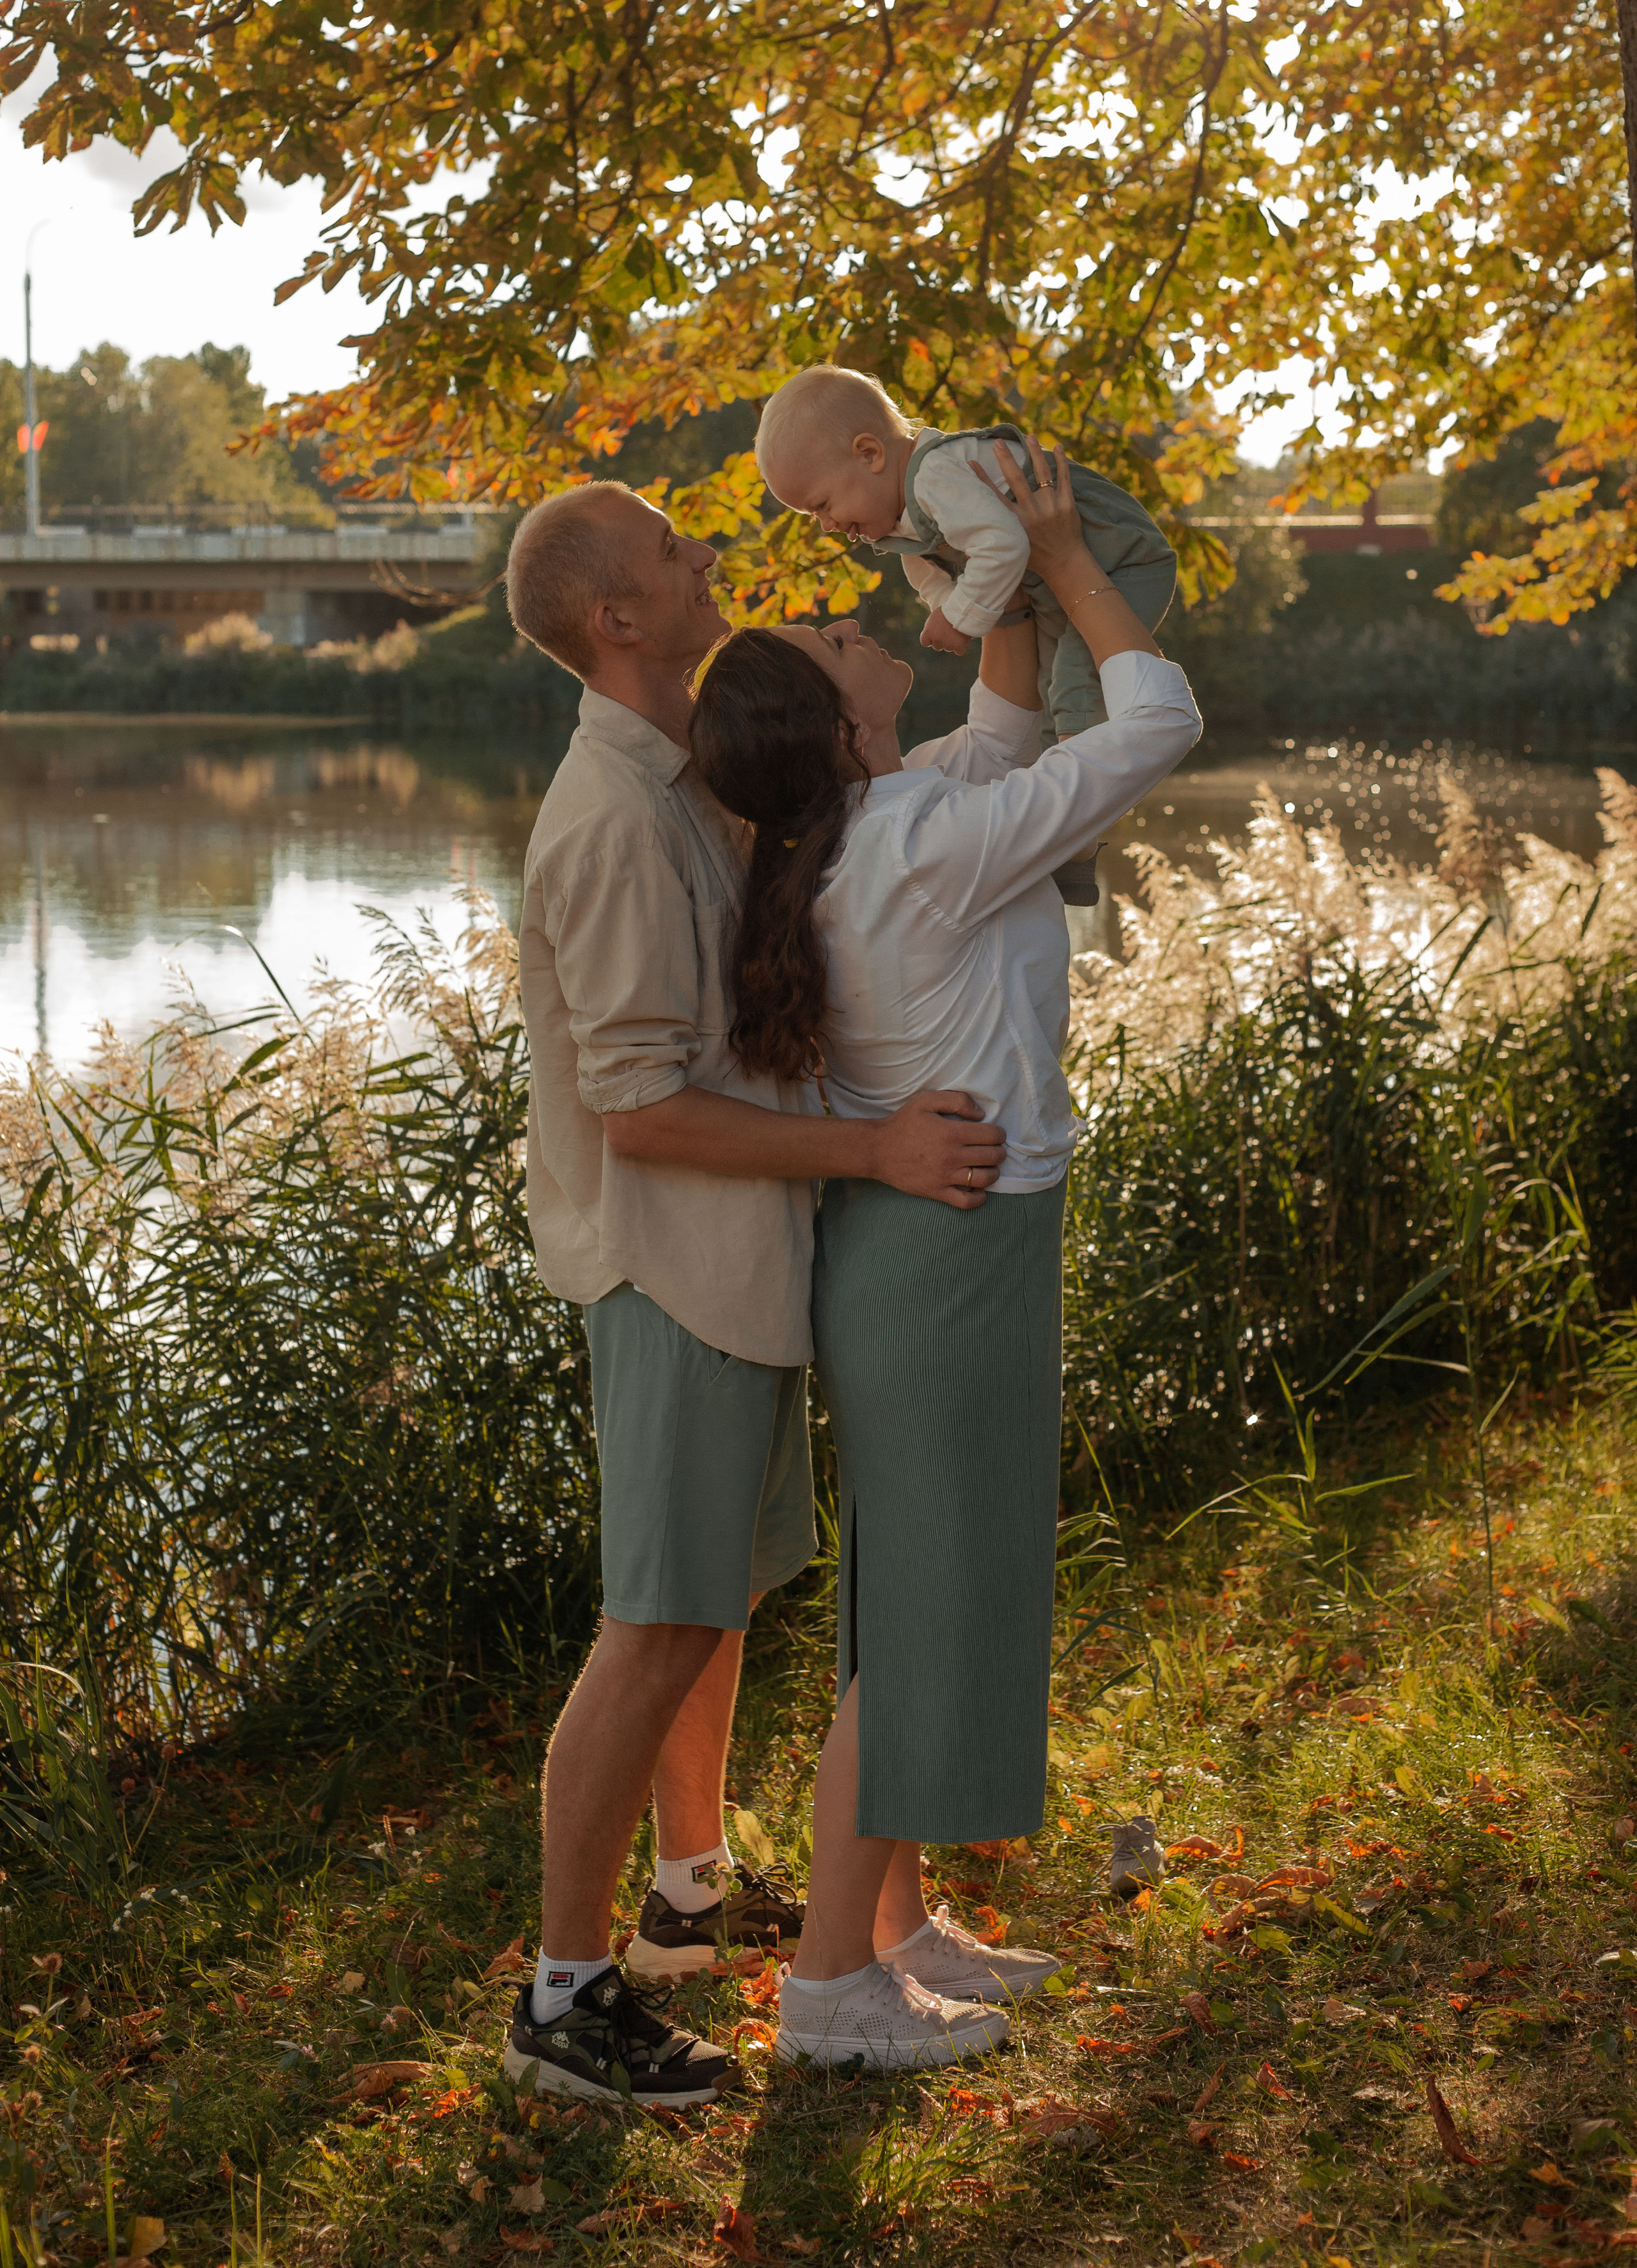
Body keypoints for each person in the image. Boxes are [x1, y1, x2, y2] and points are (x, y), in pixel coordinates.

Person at [688, 434, 1202, 2070]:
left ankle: (893, 1930)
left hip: (924, 1246)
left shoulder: (879, 820)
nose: (853, 620)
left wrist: (1002, 590)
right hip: (946, 1255)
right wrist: (1063, 561)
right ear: (837, 724)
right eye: (832, 639)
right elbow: (1157, 724)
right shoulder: (908, 846)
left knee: (899, 1604)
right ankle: (825, 1993)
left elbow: (998, 734)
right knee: (915, 1626)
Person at [496, 478, 1009, 2111]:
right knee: (654, 1623)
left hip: (726, 1267)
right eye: (671, 549)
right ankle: (563, 1998)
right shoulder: (612, 819)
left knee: (707, 1605)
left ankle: (685, 1899)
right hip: (668, 1269)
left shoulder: (682, 781)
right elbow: (641, 1109)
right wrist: (873, 1150)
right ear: (616, 620)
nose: (704, 551)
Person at [754, 366, 1178, 902]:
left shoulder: (936, 476)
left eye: (821, 504)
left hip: (1120, 557)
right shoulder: (906, 518)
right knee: (1055, 689)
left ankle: (1076, 833)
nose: (826, 525)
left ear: (870, 454)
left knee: (1074, 680)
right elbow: (927, 570)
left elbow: (1003, 546)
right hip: (1061, 578)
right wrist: (946, 603)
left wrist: (961, 616)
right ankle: (1074, 840)